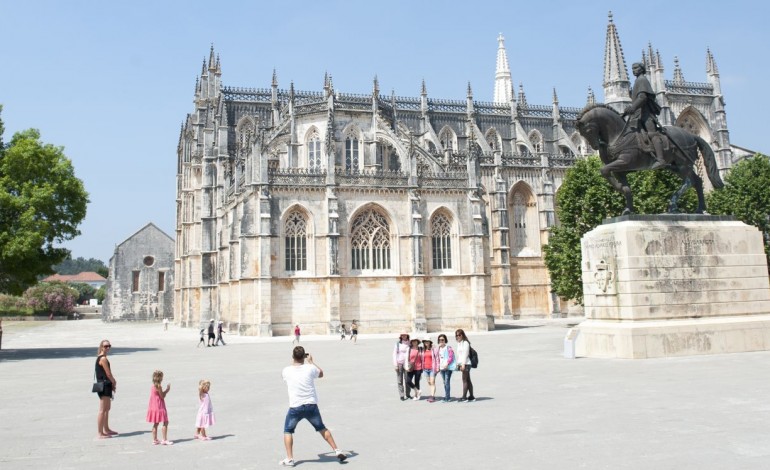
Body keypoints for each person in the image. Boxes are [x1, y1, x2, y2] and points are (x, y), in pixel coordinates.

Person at [280, 346, 346, 466]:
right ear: (304, 356)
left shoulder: (286, 370)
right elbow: (321, 374)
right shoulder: (310, 368)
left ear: (293, 357)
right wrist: (311, 362)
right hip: (311, 405)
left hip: (296, 407)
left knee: (288, 431)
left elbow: (285, 377)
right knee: (322, 428)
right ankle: (337, 450)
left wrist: (294, 362)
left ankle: (289, 458)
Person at [622, 61, 668, 170]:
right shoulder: (637, 81)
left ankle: (661, 159)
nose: (634, 70)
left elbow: (642, 97)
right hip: (638, 114)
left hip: (646, 114)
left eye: (636, 68)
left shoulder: (642, 80)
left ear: (642, 69)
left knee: (652, 134)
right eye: (632, 68)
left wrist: (632, 108)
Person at [95, 339, 118, 438]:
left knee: (107, 408)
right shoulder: (103, 358)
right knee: (102, 409)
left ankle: (106, 429)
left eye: (109, 346)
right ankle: (100, 433)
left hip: (106, 384)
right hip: (103, 385)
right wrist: (114, 381)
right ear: (101, 347)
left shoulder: (103, 357)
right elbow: (108, 373)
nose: (107, 348)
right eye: (105, 346)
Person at [146, 370, 173, 445]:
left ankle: (154, 439)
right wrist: (167, 390)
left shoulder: (153, 387)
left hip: (153, 407)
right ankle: (164, 439)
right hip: (160, 407)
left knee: (156, 423)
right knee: (165, 422)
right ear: (160, 378)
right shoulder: (159, 387)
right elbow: (162, 396)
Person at [454, 329, 475, 402]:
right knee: (468, 380)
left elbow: (465, 354)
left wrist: (463, 364)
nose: (458, 336)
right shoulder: (459, 343)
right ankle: (472, 396)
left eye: (460, 335)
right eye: (457, 335)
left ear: (463, 335)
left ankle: (464, 397)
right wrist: (458, 363)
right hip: (462, 363)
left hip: (466, 364)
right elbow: (459, 355)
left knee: (464, 380)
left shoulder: (465, 343)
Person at [392, 331, 411, 401]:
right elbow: (394, 354)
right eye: (402, 335)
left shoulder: (410, 343)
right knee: (400, 380)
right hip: (399, 363)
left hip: (407, 363)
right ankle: (402, 395)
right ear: (401, 336)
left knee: (407, 380)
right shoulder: (398, 344)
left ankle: (408, 394)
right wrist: (395, 365)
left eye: (405, 335)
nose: (404, 336)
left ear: (407, 336)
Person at [437, 334, 455, 403]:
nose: (441, 341)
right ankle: (446, 396)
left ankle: (448, 397)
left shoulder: (448, 348)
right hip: (441, 368)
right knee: (444, 382)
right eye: (440, 340)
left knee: (447, 382)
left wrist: (447, 364)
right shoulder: (438, 349)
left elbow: (451, 357)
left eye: (442, 340)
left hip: (448, 368)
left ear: (445, 340)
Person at [421, 337, 439, 402]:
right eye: (425, 342)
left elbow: (437, 359)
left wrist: (437, 368)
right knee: (429, 382)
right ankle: (431, 394)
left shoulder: (434, 349)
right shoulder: (423, 350)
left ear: (430, 342)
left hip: (432, 368)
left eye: (427, 341)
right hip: (425, 369)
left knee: (432, 382)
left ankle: (432, 396)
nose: (426, 343)